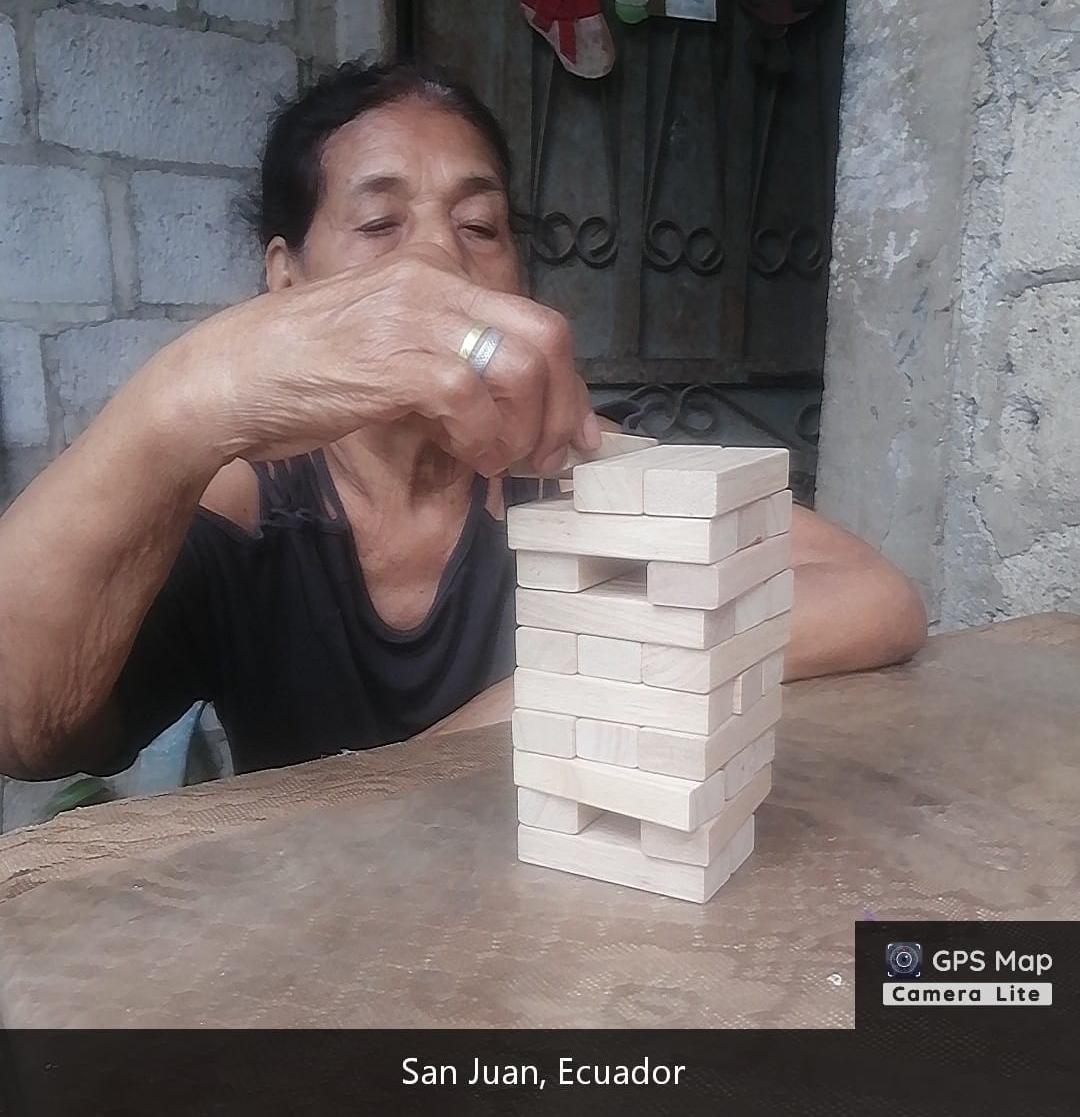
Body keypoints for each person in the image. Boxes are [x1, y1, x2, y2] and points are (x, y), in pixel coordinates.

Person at [0, 60, 926, 783]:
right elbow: (23, 729)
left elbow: (873, 598)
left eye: (480, 226)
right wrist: (188, 395)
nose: (439, 257)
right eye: (379, 225)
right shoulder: (239, 512)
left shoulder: (571, 473)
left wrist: (521, 705)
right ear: (285, 279)